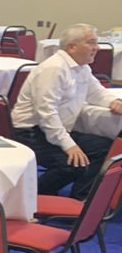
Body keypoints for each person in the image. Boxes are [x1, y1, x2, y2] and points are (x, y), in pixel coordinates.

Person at [11, 23, 122, 199]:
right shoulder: (54, 68)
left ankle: (81, 198)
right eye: (91, 42)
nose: (97, 47)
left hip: (54, 128)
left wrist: (114, 101)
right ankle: (31, 196)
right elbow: (46, 113)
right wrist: (69, 145)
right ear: (72, 47)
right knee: (73, 164)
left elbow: (96, 92)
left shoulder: (81, 67)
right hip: (30, 132)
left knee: (103, 148)